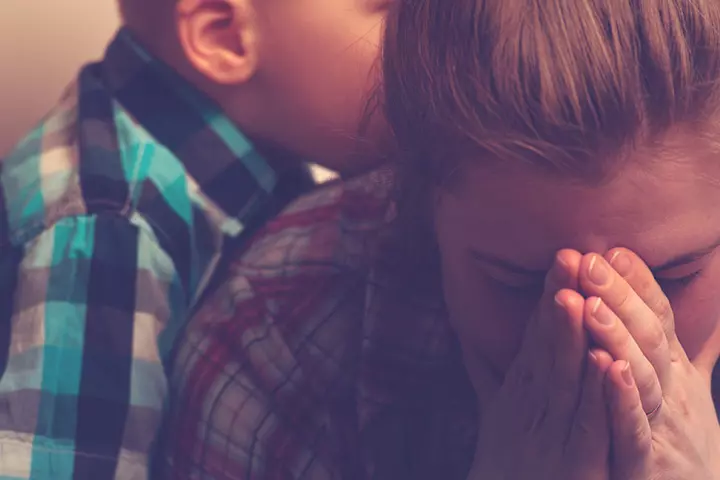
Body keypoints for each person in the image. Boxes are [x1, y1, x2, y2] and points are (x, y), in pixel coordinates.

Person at [166, 0, 720, 478]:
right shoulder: (274, 344)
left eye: (675, 277)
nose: (602, 347)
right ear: (418, 207)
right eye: (518, 282)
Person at [0, 0, 389, 477]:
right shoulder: (112, 236)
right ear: (223, 36)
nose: (432, 39)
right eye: (394, 9)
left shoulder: (257, 131)